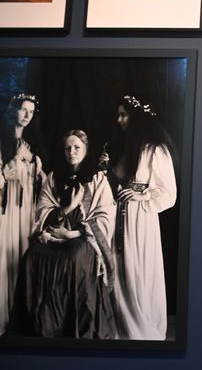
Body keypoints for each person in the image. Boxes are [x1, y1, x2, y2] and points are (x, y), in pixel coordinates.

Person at [8, 130, 116, 338]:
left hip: (82, 237)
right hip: (55, 232)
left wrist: (72, 234)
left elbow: (104, 216)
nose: (71, 152)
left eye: (77, 148)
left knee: (73, 258)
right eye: (68, 148)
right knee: (31, 257)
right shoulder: (53, 177)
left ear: (85, 150)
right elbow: (43, 212)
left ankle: (71, 328)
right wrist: (66, 210)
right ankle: (39, 326)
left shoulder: (97, 179)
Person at [104, 95, 177, 340]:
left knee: (138, 269)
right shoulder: (127, 148)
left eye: (124, 114)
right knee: (119, 266)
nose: (119, 119)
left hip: (141, 220)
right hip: (119, 218)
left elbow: (168, 194)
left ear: (136, 118)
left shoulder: (156, 150)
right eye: (118, 114)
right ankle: (119, 325)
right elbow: (118, 184)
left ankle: (141, 326)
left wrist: (140, 195)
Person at [0, 93, 45, 334]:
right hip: (5, 213)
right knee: (3, 260)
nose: (27, 115)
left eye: (31, 111)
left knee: (21, 259)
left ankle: (19, 318)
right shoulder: (2, 143)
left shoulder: (31, 145)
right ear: (12, 111)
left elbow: (40, 184)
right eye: (23, 109)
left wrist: (36, 169)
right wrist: (9, 167)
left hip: (25, 211)